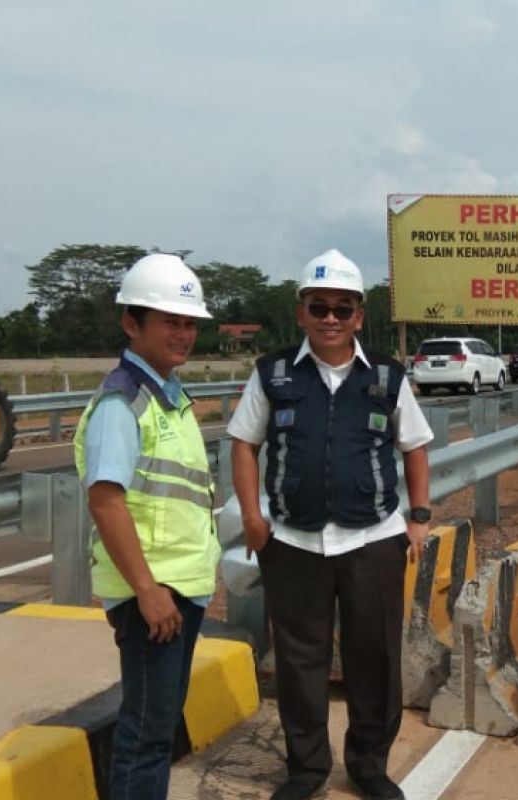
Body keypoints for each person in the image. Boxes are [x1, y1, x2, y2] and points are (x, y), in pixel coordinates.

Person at [227, 248, 432, 800]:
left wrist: (419, 517)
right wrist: (252, 517)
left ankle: (368, 766)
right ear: (302, 313)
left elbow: (414, 446)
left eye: (344, 308)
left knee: (375, 659)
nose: (331, 319)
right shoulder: (271, 373)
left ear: (360, 316)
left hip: (374, 540)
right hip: (292, 542)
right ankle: (306, 772)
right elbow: (244, 445)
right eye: (320, 307)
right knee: (299, 663)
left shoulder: (387, 375)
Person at [73, 253, 222, 800]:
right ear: (131, 324)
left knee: (157, 727)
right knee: (145, 734)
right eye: (169, 321)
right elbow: (106, 501)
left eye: (189, 324)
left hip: (175, 588)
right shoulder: (124, 403)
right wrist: (147, 590)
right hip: (152, 597)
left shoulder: (168, 396)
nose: (183, 334)